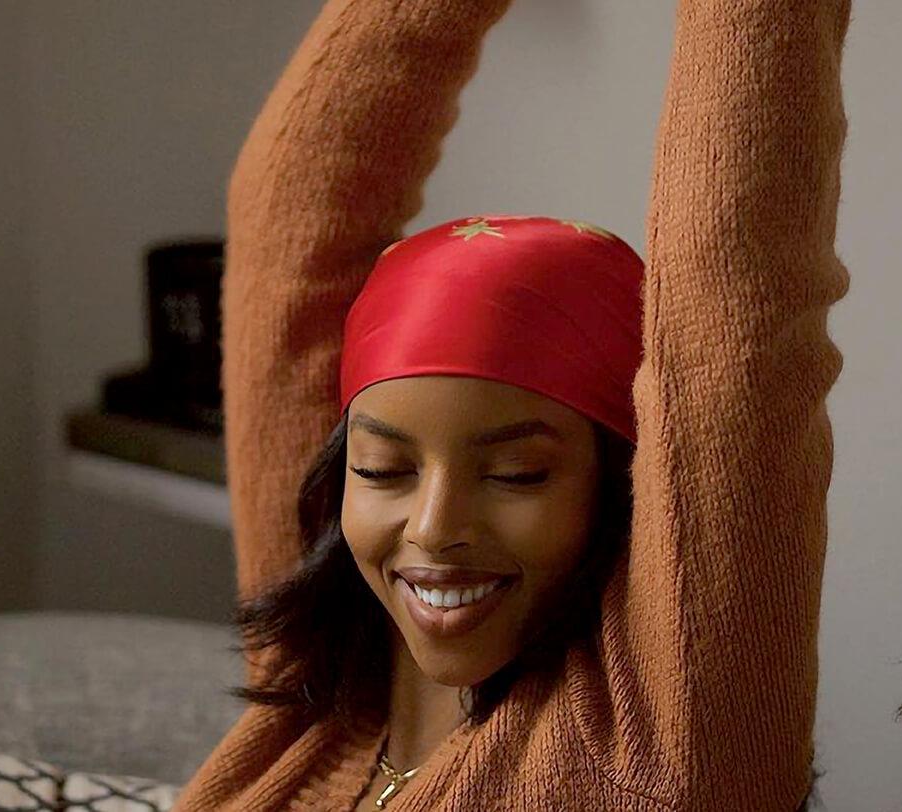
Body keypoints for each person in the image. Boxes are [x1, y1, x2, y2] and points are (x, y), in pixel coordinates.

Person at [172, 0, 853, 810]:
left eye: (518, 474)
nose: (432, 528)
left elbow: (736, 296)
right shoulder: (320, 677)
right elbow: (290, 222)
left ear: (622, 484)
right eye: (383, 468)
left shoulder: (665, 749)